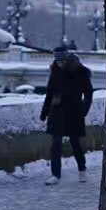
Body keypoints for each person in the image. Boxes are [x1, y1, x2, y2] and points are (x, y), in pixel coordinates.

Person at [40, 44, 93, 184]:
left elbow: (88, 93)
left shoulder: (80, 72)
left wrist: (84, 109)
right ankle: (55, 175)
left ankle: (82, 169)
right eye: (58, 62)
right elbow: (49, 93)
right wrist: (44, 112)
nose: (60, 65)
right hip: (57, 111)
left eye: (62, 62)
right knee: (55, 144)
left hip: (74, 111)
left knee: (75, 143)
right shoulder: (55, 72)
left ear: (68, 59)